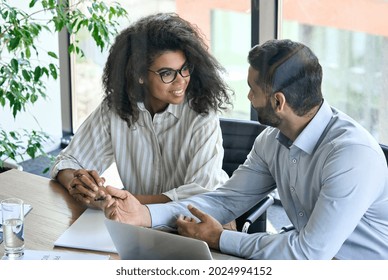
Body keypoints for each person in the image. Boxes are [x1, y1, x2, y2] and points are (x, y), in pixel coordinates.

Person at [100, 39, 388, 260]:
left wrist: (219, 238)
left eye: (253, 89)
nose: (248, 97)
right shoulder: (271, 140)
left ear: (278, 102)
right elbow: (225, 201)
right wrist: (145, 215)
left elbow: (307, 254)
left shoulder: (351, 157)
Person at [50, 13, 233, 208]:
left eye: (185, 68)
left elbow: (199, 194)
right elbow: (68, 161)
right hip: (137, 223)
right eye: (167, 73)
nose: (181, 80)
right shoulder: (116, 106)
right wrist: (79, 183)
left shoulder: (202, 113)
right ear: (139, 75)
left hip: (194, 221)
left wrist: (122, 201)